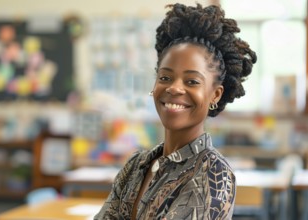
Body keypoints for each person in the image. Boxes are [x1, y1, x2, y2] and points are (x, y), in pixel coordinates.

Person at [94, 2, 256, 220]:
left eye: (191, 81)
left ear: (215, 95)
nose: (174, 88)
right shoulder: (136, 165)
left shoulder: (213, 174)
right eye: (165, 78)